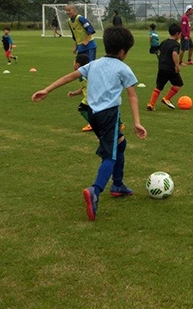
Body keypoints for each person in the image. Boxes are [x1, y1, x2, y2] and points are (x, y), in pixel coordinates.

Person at [31, 26, 147, 222]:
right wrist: (137, 122)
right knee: (109, 155)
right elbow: (132, 96)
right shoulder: (123, 68)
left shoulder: (94, 64)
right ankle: (95, 190)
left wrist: (46, 90)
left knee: (120, 144)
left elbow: (70, 76)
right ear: (122, 51)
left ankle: (117, 185)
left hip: (90, 113)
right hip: (108, 115)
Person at [147, 23, 183, 110]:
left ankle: (151, 104)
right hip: (171, 69)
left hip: (162, 68)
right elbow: (174, 53)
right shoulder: (176, 44)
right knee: (178, 84)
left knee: (159, 86)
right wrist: (177, 66)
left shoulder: (164, 42)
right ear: (177, 33)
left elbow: (159, 52)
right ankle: (166, 99)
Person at [67, 53, 93, 132]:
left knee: (82, 108)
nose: (73, 64)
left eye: (74, 62)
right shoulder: (87, 73)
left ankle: (93, 124)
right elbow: (84, 88)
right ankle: (119, 123)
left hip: (91, 97)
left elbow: (87, 87)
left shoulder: (82, 76)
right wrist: (74, 93)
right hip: (92, 96)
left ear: (77, 65)